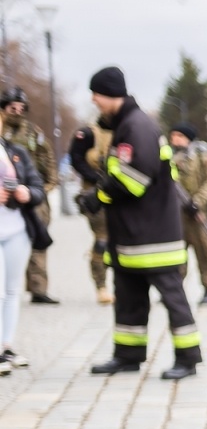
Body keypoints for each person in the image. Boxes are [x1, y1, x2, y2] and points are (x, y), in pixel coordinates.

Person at [80, 67, 202, 381]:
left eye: (96, 94)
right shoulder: (126, 126)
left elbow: (134, 180)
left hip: (153, 235)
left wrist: (98, 197)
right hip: (132, 235)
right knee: (129, 297)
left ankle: (188, 358)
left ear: (110, 93)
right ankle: (127, 355)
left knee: (172, 298)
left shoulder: (137, 127)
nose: (93, 100)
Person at [1, 88, 57, 305]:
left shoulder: (33, 132)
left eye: (21, 108)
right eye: (12, 107)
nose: (16, 111)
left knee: (37, 239)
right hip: (5, 197)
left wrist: (48, 185)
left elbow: (47, 157)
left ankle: (38, 289)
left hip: (30, 194)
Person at [0, 132, 46, 374]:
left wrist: (26, 193)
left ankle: (6, 347)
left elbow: (38, 187)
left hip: (17, 229)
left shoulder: (15, 152)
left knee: (11, 291)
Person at [169, 123, 207, 305]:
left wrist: (197, 201)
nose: (174, 139)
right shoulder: (170, 159)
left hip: (199, 215)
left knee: (205, 254)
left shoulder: (203, 158)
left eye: (178, 135)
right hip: (176, 217)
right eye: (172, 135)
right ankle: (174, 290)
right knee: (175, 255)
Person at [67, 122, 116, 305]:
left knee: (122, 242)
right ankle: (101, 286)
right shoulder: (88, 133)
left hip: (121, 195)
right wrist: (97, 178)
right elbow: (76, 158)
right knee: (102, 241)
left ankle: (123, 285)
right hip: (95, 196)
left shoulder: (126, 130)